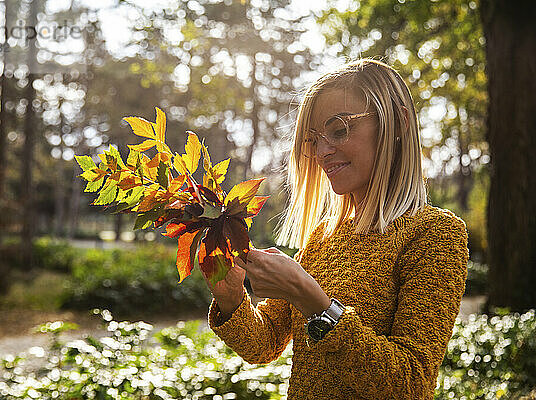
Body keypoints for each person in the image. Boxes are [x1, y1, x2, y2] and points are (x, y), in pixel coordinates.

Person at [201, 58, 469, 400]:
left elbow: (410, 384)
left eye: (339, 129)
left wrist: (314, 303)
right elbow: (264, 344)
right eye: (313, 140)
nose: (323, 152)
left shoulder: (435, 235)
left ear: (398, 123)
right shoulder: (323, 237)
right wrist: (231, 299)